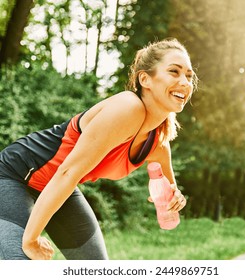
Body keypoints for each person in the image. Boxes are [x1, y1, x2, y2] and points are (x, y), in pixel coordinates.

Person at [0, 38, 197, 260]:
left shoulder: (158, 143)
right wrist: (31, 239)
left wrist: (175, 199)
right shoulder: (128, 108)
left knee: (96, 268)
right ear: (145, 79)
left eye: (189, 76)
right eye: (174, 71)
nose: (185, 82)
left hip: (60, 186)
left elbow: (170, 196)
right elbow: (67, 172)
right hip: (14, 175)